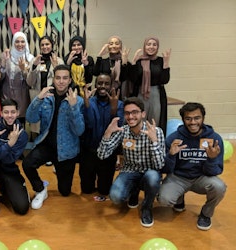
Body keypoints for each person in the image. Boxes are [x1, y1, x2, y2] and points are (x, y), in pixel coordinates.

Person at [22, 64, 85, 209]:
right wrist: (38, 98)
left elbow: (79, 131)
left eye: (65, 78)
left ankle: (59, 171)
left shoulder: (78, 101)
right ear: (53, 80)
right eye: (58, 78)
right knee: (27, 164)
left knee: (65, 192)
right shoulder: (46, 98)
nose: (61, 81)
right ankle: (40, 188)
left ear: (70, 80)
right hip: (47, 145)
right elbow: (31, 118)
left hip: (66, 151)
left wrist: (73, 107)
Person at [97, 97, 165, 227]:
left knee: (152, 177)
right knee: (116, 197)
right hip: (130, 170)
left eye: (135, 112)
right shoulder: (123, 131)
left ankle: (147, 207)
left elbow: (160, 165)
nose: (131, 116)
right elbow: (102, 155)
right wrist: (107, 134)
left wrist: (154, 141)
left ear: (143, 114)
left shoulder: (156, 132)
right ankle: (133, 192)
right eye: (127, 113)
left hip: (149, 172)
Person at [158, 102, 226, 231]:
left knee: (219, 187)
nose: (193, 122)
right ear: (183, 120)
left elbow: (217, 170)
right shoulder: (173, 139)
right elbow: (165, 170)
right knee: (164, 200)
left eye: (197, 118)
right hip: (178, 178)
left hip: (202, 177)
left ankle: (206, 214)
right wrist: (171, 155)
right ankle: (179, 198)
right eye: (188, 118)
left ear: (203, 118)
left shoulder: (214, 139)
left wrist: (211, 159)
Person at [80, 73, 124, 201]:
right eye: (99, 83)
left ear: (111, 86)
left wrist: (113, 109)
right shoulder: (89, 101)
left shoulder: (119, 104)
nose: (102, 86)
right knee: (86, 189)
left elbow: (119, 128)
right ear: (95, 85)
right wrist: (87, 105)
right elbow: (89, 125)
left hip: (108, 153)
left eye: (106, 83)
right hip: (89, 150)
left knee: (104, 190)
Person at [130, 37, 171, 135]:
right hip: (140, 93)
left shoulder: (161, 60)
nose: (151, 47)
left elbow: (164, 80)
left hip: (156, 94)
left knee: (155, 121)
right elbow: (133, 79)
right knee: (139, 119)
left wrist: (166, 63)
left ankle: (154, 143)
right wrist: (133, 63)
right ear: (144, 46)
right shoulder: (139, 60)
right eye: (148, 44)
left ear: (157, 47)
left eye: (154, 44)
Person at [27, 35, 64, 138]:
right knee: (37, 128)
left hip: (52, 98)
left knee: (51, 126)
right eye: (42, 45)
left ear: (52, 45)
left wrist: (56, 66)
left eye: (47, 44)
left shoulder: (59, 61)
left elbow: (62, 82)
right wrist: (34, 66)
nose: (45, 47)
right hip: (38, 98)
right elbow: (30, 83)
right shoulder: (35, 60)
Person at [0, 31, 34, 125]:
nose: (20, 44)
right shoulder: (6, 56)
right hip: (7, 94)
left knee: (21, 123)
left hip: (23, 96)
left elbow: (31, 81)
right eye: (17, 41)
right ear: (13, 43)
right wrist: (3, 63)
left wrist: (24, 70)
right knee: (7, 121)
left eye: (22, 42)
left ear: (26, 43)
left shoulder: (30, 58)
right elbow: (0, 77)